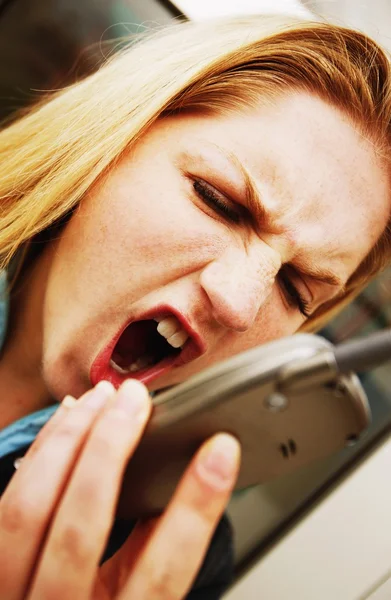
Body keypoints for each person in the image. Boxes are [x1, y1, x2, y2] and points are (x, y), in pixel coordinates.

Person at [0, 13, 390, 600]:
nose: (238, 302)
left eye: (295, 291)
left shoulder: (173, 563)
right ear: (109, 140)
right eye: (220, 201)